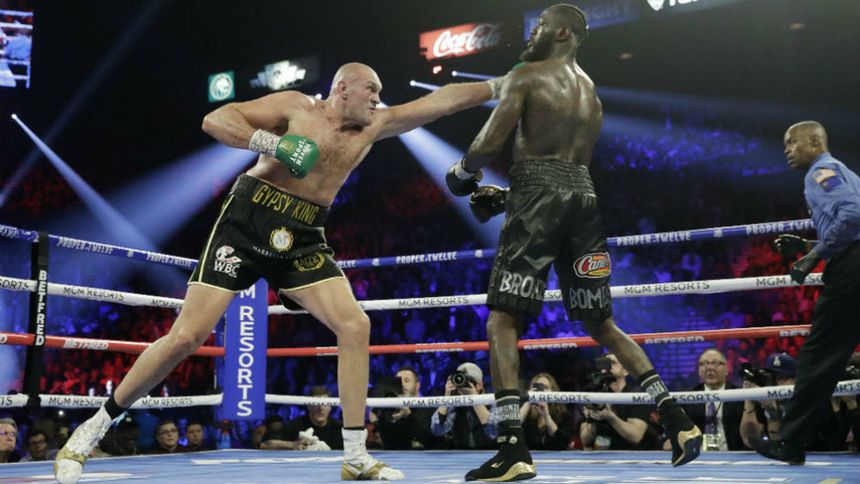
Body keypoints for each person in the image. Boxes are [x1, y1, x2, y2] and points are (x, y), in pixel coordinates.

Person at [54, 62, 501, 483]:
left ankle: (354, 457)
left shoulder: (376, 125)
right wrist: (274, 145)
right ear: (342, 88)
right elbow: (216, 119)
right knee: (186, 337)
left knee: (355, 324)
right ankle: (90, 431)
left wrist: (499, 86)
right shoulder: (296, 107)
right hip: (248, 222)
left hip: (304, 234)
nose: (377, 98)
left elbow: (441, 101)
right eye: (371, 89)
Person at [445, 4, 701, 480]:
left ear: (562, 32)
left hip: (539, 201)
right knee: (601, 322)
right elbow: (561, 174)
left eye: (540, 25)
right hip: (584, 200)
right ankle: (678, 420)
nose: (531, 33)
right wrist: (510, 196)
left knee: (503, 318)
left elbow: (489, 143)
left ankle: (512, 448)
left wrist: (461, 173)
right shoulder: (590, 92)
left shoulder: (528, 75)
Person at [753, 121, 860, 464]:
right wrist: (807, 245)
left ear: (814, 141)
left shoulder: (821, 172)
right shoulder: (842, 171)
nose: (786, 149)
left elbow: (854, 217)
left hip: (851, 272)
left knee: (818, 357)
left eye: (791, 142)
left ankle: (791, 443)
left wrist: (813, 257)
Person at [579, 354, 658, 451]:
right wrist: (592, 420)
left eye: (613, 363)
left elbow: (636, 436)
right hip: (604, 453)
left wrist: (610, 417)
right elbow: (585, 441)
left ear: (625, 371)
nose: (607, 367)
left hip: (632, 455)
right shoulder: (596, 394)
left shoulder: (635, 396)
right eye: (605, 363)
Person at [683, 349, 744, 451]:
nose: (710, 368)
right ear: (699, 370)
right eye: (704, 364)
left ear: (727, 368)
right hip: (697, 455)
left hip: (733, 454)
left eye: (715, 363)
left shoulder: (739, 396)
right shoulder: (688, 397)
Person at [430, 362, 497, 449]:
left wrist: (474, 399)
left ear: (479, 385)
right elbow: (437, 430)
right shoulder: (455, 403)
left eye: (468, 381)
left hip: (489, 451)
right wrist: (446, 398)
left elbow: (494, 432)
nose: (462, 383)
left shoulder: (491, 400)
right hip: (460, 453)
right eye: (459, 379)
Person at [740, 352, 797, 447]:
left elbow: (786, 443)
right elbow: (749, 441)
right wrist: (749, 399)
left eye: (783, 378)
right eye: (773, 378)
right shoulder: (763, 399)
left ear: (796, 380)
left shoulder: (803, 402)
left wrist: (773, 413)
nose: (778, 383)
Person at [371, 366, 435, 450]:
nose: (402, 384)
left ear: (417, 386)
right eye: (399, 381)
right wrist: (379, 419)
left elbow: (430, 441)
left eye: (406, 380)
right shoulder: (391, 409)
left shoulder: (429, 406)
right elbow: (389, 445)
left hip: (424, 456)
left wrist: (408, 416)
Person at [263, 386, 344, 450]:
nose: (320, 408)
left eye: (324, 404)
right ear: (309, 406)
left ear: (330, 407)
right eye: (316, 404)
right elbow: (265, 445)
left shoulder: (339, 427)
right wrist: (292, 445)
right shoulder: (296, 424)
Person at [520, 373, 575, 450]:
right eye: (537, 388)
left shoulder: (564, 415)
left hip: (556, 455)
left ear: (553, 391)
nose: (541, 391)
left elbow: (562, 442)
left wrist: (546, 416)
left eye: (545, 387)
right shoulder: (526, 412)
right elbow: (512, 427)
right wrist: (529, 400)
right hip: (529, 455)